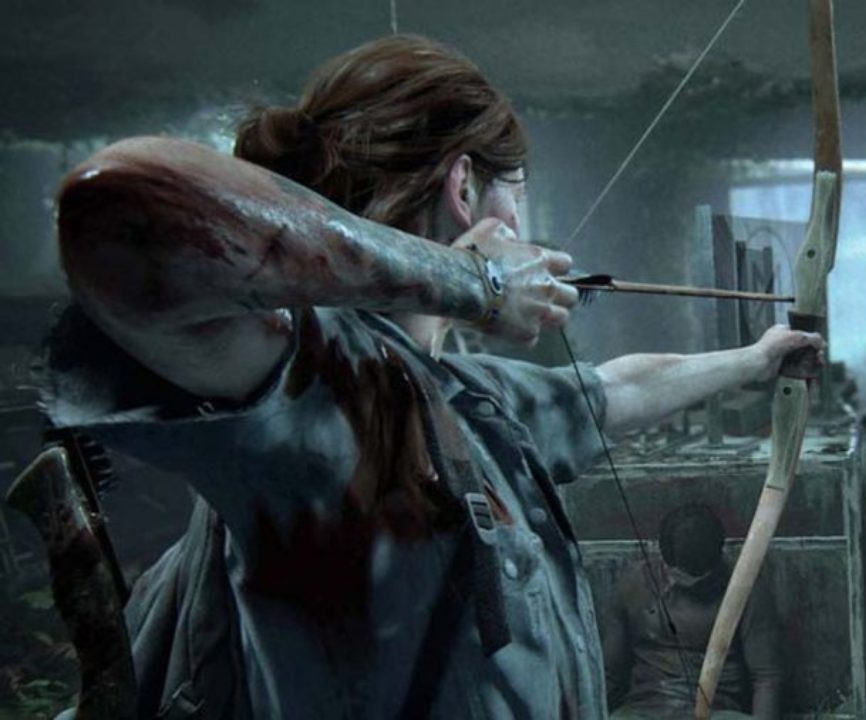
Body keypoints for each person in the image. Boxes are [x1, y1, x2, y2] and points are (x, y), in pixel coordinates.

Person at [42, 35, 822, 719]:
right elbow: (119, 206)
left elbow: (619, 389)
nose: (519, 224)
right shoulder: (314, 387)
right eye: (514, 193)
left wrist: (757, 358)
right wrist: (476, 282)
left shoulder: (464, 393)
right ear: (464, 186)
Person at [601, 503, 782, 720]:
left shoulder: (745, 588)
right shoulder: (633, 586)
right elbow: (609, 674)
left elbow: (766, 677)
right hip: (644, 708)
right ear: (665, 560)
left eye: (701, 579)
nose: (692, 585)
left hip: (718, 712)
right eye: (683, 577)